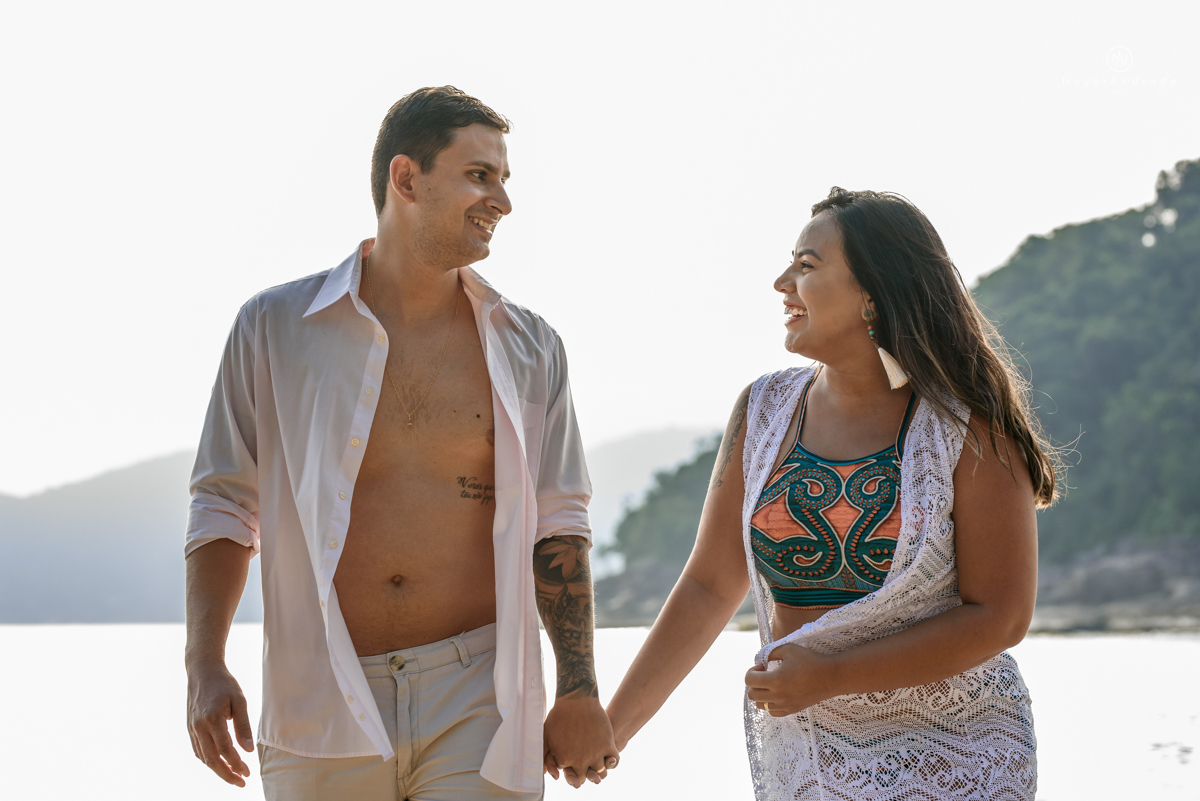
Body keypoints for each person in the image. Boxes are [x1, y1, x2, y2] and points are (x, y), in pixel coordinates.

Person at [183, 86, 618, 800]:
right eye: (479, 175)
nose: (503, 200)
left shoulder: (531, 347)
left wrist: (578, 688)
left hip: (478, 698)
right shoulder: (274, 328)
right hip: (318, 691)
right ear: (406, 178)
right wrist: (204, 664)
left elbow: (559, 520)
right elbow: (224, 505)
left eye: (504, 178)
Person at [604, 188, 1053, 799]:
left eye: (807, 265)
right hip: (811, 758)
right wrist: (611, 730)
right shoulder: (764, 410)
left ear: (872, 294)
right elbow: (709, 586)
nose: (781, 283)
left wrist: (833, 675)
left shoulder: (969, 429)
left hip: (960, 757)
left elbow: (1000, 617)